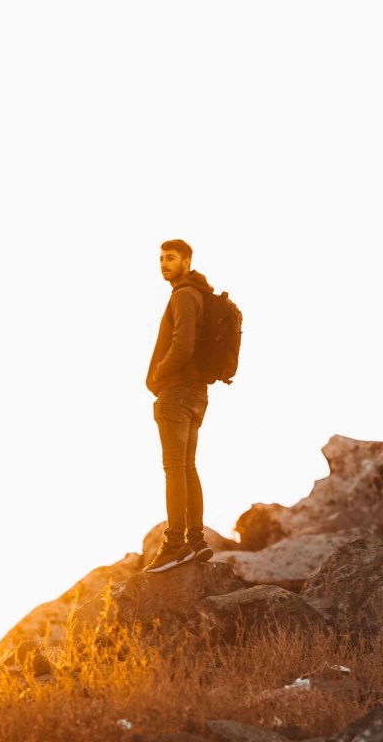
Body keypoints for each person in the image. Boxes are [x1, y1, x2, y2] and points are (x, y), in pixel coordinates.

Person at [143, 239, 215, 573]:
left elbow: (183, 345)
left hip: (177, 393)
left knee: (174, 468)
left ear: (186, 262)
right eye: (161, 258)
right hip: (196, 394)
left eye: (170, 258)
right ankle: (196, 541)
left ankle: (174, 545)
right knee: (187, 467)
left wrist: (158, 373)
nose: (163, 263)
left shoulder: (184, 295)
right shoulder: (199, 294)